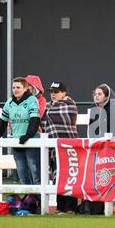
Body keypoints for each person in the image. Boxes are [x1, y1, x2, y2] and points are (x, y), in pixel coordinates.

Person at [0, 77, 42, 212]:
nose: (15, 90)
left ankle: (40, 204)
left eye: (18, 87)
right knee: (23, 176)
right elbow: (2, 123)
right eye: (14, 87)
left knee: (36, 174)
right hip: (16, 143)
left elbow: (35, 120)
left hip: (31, 142)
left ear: (25, 88)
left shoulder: (32, 101)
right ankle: (30, 204)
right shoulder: (9, 103)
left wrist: (27, 136)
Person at [81, 83, 115, 215]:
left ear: (106, 96)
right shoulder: (92, 109)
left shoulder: (114, 110)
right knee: (95, 178)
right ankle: (93, 208)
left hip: (110, 151)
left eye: (99, 94)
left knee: (111, 178)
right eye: (95, 94)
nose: (96, 96)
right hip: (95, 150)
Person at [41, 81, 79, 214]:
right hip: (54, 147)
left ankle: (71, 207)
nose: (53, 95)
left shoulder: (70, 105)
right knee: (59, 176)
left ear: (64, 93)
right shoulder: (48, 106)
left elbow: (63, 120)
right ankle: (60, 207)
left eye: (56, 92)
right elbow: (44, 122)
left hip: (69, 145)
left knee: (70, 175)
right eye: (51, 92)